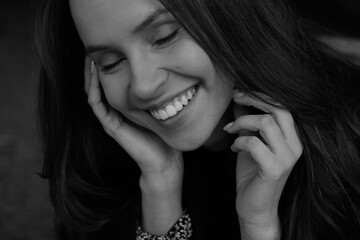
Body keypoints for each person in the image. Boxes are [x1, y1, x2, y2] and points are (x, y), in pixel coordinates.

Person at [33, 0, 360, 239]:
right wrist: (160, 186)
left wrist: (258, 224)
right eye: (110, 62)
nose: (143, 85)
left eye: (164, 37)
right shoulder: (103, 165)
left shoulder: (348, 140)